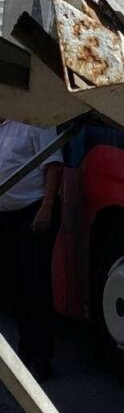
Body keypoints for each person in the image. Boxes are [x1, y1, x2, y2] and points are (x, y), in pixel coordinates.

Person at [0, 121, 63, 380]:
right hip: (5, 218)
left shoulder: (37, 123)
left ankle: (41, 359)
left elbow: (54, 166)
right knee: (13, 287)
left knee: (35, 285)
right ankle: (25, 352)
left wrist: (46, 208)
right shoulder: (3, 129)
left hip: (34, 213)